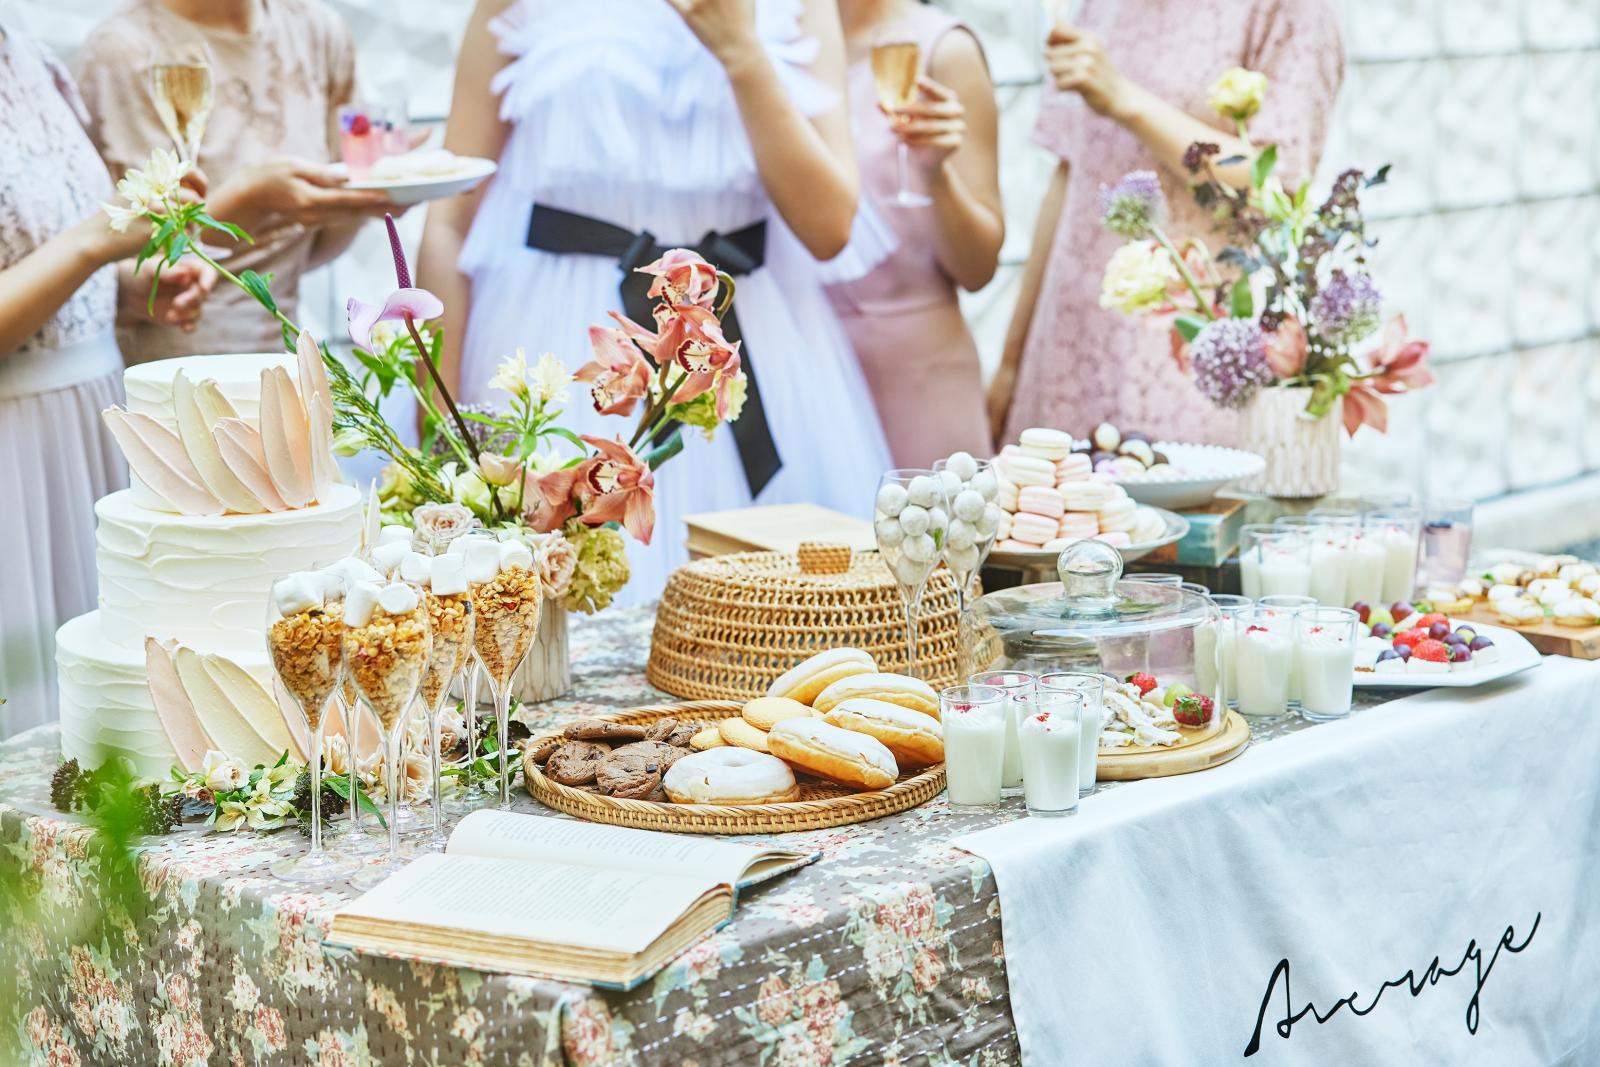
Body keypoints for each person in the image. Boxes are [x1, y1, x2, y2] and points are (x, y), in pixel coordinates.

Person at [419, 0, 894, 603]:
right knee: (554, 616)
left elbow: (830, 228)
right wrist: (436, 406)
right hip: (563, 344)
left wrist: (741, 51)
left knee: (783, 623)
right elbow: (449, 220)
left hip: (744, 342)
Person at [989, 0, 1343, 446]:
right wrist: (1010, 365)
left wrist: (1125, 100)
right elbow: (1067, 180)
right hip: (1065, 354)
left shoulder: (1288, 10)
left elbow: (1277, 182)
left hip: (1185, 361)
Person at [0, 27, 212, 736]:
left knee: (110, 723)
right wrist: (93, 243)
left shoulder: (26, 49)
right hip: (13, 449)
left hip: (90, 428)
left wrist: (129, 288)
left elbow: (35, 259)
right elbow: (70, 243)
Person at [75, 0, 396, 363]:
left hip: (288, 356)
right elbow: (125, 266)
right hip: (171, 365)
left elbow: (314, 244)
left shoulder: (318, 32)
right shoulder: (123, 51)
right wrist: (252, 198)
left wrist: (380, 187)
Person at [827, 0, 1003, 467]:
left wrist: (936, 176)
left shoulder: (945, 50)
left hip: (918, 377)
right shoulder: (778, 48)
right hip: (804, 363)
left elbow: (979, 267)